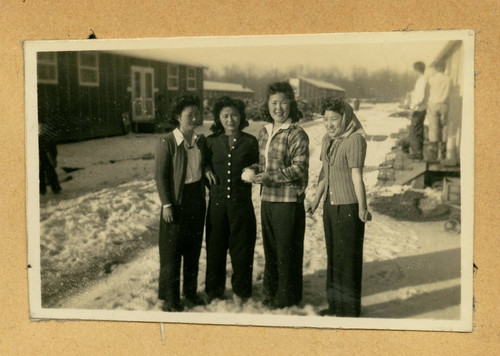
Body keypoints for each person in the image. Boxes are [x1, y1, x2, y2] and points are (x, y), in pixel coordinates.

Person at [247, 81, 309, 309]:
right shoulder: (265, 131)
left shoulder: (297, 134)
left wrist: (270, 176)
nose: (278, 108)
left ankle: (287, 298)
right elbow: (262, 163)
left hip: (288, 202)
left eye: (283, 102)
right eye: (274, 103)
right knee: (271, 251)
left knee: (286, 252)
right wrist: (253, 169)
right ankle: (271, 292)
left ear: (291, 104)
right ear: (268, 105)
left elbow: (299, 168)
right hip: (268, 201)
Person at [307, 97, 370, 317]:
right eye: (326, 119)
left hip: (349, 208)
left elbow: (356, 176)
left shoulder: (354, 140)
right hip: (330, 208)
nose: (329, 124)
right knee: (334, 258)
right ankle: (335, 307)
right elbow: (325, 173)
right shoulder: (327, 140)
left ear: (346, 118)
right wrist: (315, 200)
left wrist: (362, 208)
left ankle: (349, 313)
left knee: (348, 262)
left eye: (334, 119)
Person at [155, 95, 210, 312]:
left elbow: (203, 164)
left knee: (193, 249)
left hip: (196, 199)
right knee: (171, 251)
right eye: (189, 115)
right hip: (176, 202)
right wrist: (166, 204)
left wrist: (206, 170)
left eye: (197, 114)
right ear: (178, 117)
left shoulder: (199, 141)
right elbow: (160, 177)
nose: (194, 118)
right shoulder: (167, 142)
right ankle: (170, 299)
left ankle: (190, 292)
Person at [204, 97, 259, 303]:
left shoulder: (250, 141)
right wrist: (207, 169)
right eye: (225, 116)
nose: (230, 120)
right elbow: (204, 162)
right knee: (215, 249)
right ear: (219, 118)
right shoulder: (210, 141)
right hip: (217, 207)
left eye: (234, 115)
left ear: (241, 117)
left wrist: (253, 169)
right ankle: (214, 291)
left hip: (242, 206)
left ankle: (241, 292)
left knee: (242, 250)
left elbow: (258, 163)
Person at [427, 62, 451, 162]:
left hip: (433, 103)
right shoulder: (448, 79)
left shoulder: (432, 79)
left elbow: (429, 89)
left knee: (434, 128)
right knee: (444, 128)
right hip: (444, 104)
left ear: (436, 69)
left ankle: (434, 156)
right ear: (444, 68)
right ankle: (443, 154)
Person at [408, 61, 429, 160]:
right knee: (418, 130)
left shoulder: (422, 80)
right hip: (422, 108)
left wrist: (412, 107)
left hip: (418, 109)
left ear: (417, 69)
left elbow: (420, 97)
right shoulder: (423, 79)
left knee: (414, 131)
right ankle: (418, 152)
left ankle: (416, 153)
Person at [39, 121, 61, 195]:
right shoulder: (38, 138)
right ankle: (42, 190)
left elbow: (53, 149)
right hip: (40, 157)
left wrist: (53, 159)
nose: (42, 130)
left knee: (50, 172)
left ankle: (55, 188)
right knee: (40, 173)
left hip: (47, 157)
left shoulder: (48, 138)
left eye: (43, 128)